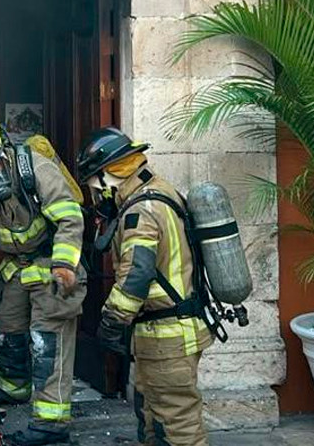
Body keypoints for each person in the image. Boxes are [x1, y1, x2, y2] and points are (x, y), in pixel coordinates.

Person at [0, 120, 86, 446]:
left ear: (3, 150)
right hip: (18, 266)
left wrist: (64, 264)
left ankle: (52, 422)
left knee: (47, 342)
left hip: (52, 264)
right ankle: (13, 388)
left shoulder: (34, 167)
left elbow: (69, 216)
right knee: (6, 330)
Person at [77, 127, 212, 446]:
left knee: (179, 426)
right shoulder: (160, 190)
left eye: (96, 185)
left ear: (109, 176)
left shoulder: (140, 210)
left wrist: (111, 321)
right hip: (163, 334)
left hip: (167, 336)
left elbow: (137, 273)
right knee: (153, 418)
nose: (96, 195)